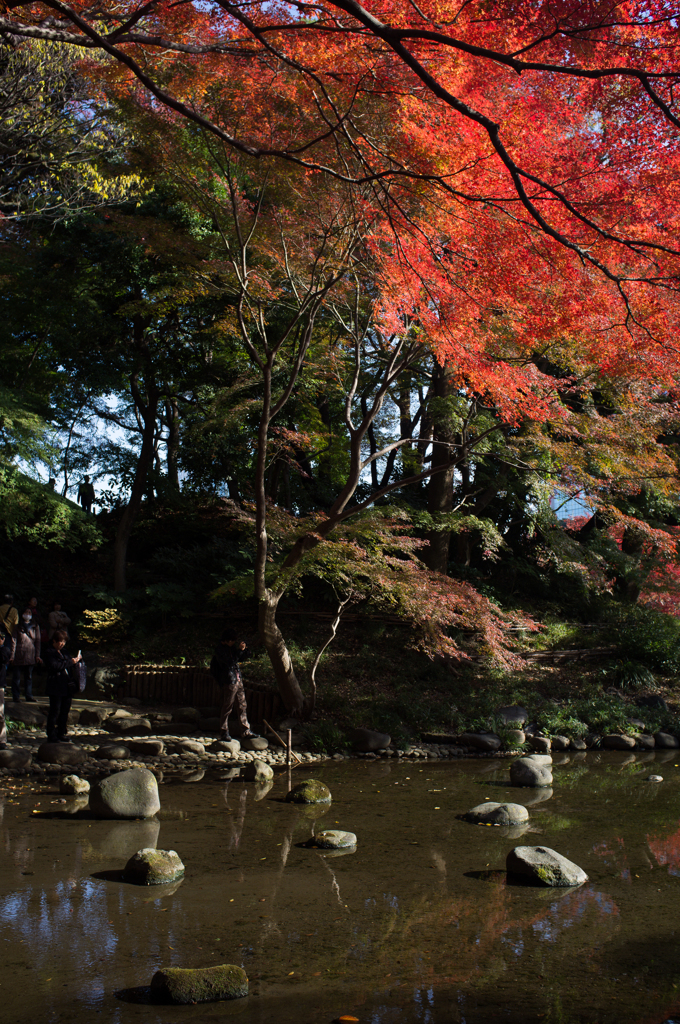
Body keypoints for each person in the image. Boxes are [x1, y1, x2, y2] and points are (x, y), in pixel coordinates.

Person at [210, 628, 259, 742]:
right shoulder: (220, 650)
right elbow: (230, 662)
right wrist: (239, 652)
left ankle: (245, 730)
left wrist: (244, 650)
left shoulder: (231, 648)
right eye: (232, 641)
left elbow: (239, 658)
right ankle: (224, 731)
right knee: (227, 706)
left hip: (237, 679)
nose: (233, 643)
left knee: (242, 705)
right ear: (226, 640)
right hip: (229, 681)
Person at [43, 630, 82, 743]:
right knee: (55, 711)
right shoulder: (49, 652)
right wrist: (71, 662)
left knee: (65, 711)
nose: (62, 644)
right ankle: (51, 734)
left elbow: (69, 666)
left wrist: (76, 662)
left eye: (64, 641)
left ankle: (61, 732)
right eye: (60, 641)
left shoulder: (64, 652)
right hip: (55, 684)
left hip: (67, 685)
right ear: (54, 641)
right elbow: (55, 666)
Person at [12, 608, 41, 703]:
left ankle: (28, 695)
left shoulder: (35, 626)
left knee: (28, 677)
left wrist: (37, 655)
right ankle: (16, 696)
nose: (27, 614)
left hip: (31, 653)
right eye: (25, 612)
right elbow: (14, 641)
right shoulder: (17, 626)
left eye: (29, 613)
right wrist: (12, 656)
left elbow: (38, 641)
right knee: (16, 677)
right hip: (19, 654)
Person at [0, 627, 15, 750]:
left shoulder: (4, 650)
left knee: (0, 714)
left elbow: (4, 659)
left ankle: (1, 739)